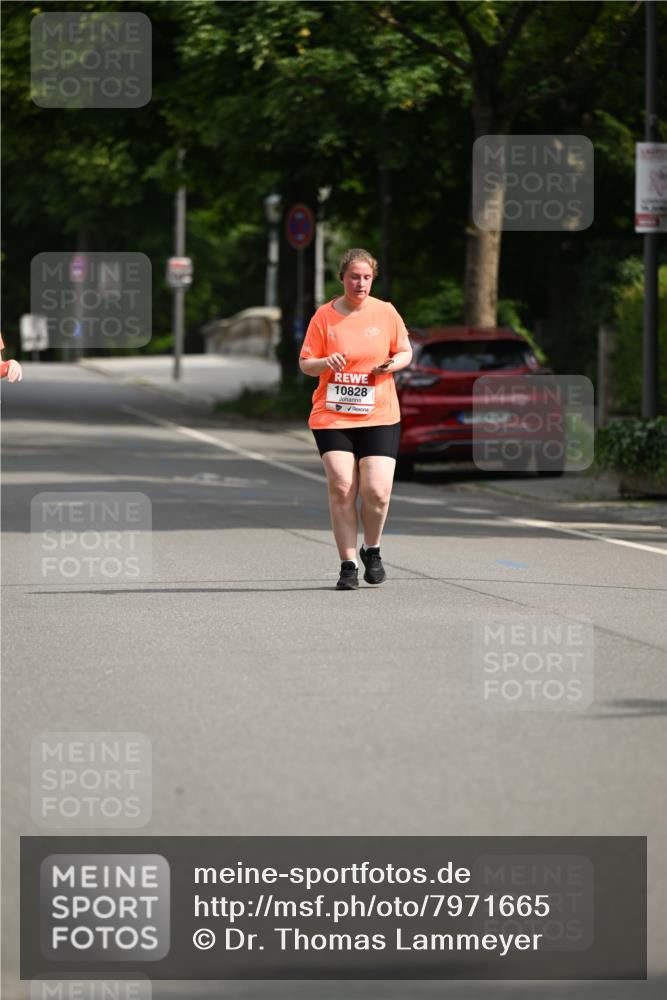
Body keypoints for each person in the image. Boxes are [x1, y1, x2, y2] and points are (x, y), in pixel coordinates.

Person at [299, 248, 412, 590]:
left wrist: (391, 365)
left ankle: (371, 549)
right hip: (332, 415)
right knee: (343, 486)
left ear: (372, 278)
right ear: (342, 278)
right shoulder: (324, 317)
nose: (360, 283)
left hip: (379, 413)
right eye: (353, 277)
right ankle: (347, 564)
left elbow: (405, 350)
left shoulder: (386, 312)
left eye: (366, 277)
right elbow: (306, 363)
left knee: (377, 492)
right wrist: (325, 363)